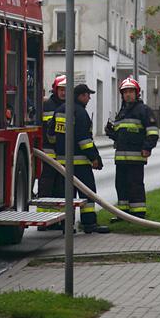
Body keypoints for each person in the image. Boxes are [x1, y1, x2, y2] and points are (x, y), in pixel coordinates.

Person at [48, 84, 109, 234]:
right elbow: (84, 140)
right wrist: (95, 158)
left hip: (62, 163)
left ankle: (66, 226)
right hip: (80, 163)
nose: (89, 98)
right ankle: (89, 224)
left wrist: (60, 148)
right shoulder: (80, 113)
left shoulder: (60, 110)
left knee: (66, 195)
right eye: (88, 95)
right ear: (81, 96)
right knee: (87, 193)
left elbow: (51, 135)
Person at [105, 77, 159, 220]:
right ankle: (123, 214)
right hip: (121, 159)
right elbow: (120, 135)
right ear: (122, 94)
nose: (128, 94)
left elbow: (153, 132)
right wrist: (111, 133)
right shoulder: (121, 113)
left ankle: (138, 214)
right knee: (121, 186)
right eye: (125, 92)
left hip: (136, 157)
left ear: (137, 93)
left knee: (135, 185)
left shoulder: (144, 110)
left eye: (131, 91)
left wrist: (147, 148)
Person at [36, 75, 66, 231]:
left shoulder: (70, 106)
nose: (64, 93)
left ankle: (58, 219)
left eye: (66, 90)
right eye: (61, 89)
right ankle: (43, 220)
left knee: (61, 187)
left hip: (62, 154)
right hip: (48, 153)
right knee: (46, 184)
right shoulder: (46, 105)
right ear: (55, 89)